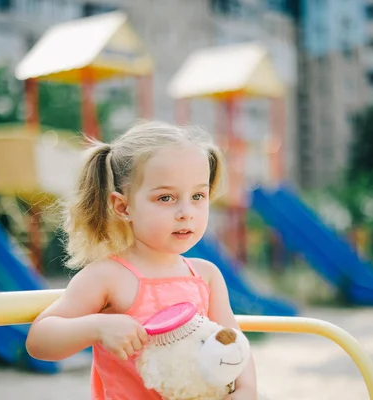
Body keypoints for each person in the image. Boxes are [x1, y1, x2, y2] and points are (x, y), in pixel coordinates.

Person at [26, 120, 257, 399]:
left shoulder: (206, 275)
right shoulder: (107, 276)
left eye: (198, 195)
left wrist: (246, 389)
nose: (186, 212)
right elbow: (39, 340)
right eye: (166, 198)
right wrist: (97, 328)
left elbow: (232, 342)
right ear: (123, 207)